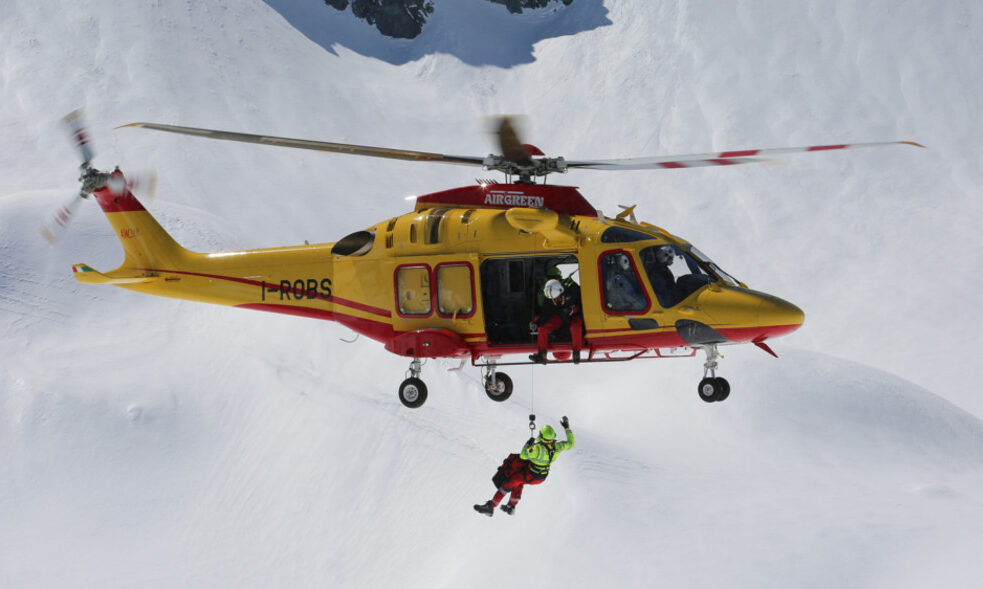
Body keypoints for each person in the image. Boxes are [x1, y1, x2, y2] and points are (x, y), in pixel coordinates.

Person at [474, 417, 575, 517]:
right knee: (518, 483)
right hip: (541, 476)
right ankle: (511, 507)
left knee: (508, 483)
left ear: (542, 436)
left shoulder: (537, 448)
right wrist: (567, 427)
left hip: (531, 474)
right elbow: (571, 444)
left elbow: (523, 455)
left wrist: (528, 444)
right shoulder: (557, 447)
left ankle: (491, 507)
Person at [529, 272, 584, 364]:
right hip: (560, 317)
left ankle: (576, 352)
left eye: (556, 298)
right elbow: (546, 313)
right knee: (542, 327)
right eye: (552, 299)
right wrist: (537, 323)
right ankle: (542, 354)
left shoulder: (573, 289)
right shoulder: (550, 296)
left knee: (576, 326)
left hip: (574, 316)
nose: (555, 300)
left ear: (561, 290)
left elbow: (584, 303)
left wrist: (574, 309)